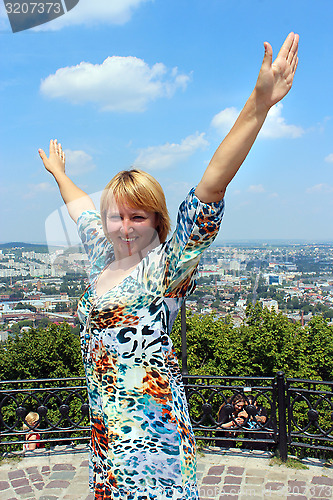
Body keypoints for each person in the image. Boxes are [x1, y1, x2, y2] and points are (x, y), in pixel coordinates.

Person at [39, 32, 299, 500]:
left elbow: (209, 190)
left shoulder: (163, 269)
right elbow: (80, 209)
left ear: (156, 220)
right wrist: (60, 173)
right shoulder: (104, 257)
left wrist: (258, 107)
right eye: (116, 215)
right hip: (106, 438)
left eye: (137, 216)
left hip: (152, 442)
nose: (124, 226)